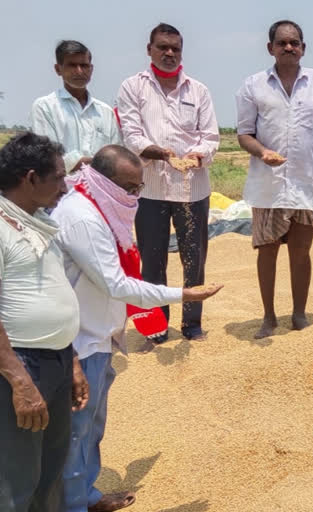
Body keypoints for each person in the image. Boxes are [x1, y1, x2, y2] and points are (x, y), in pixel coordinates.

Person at [52, 145, 223, 512]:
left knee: (91, 428)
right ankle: (72, 504)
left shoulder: (99, 205)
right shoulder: (84, 218)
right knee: (76, 433)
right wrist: (184, 293)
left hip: (98, 335)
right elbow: (117, 284)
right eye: (130, 187)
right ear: (103, 180)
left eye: (138, 187)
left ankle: (87, 495)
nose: (135, 196)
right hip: (81, 342)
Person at [236, 20, 313, 339]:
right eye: (282, 43)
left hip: (306, 182)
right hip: (267, 184)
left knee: (301, 252)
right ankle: (268, 318)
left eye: (294, 42)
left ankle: (298, 314)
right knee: (267, 251)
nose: (289, 47)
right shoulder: (252, 86)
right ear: (270, 48)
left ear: (303, 48)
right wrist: (262, 152)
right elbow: (244, 134)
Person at [0, 132, 88, 512]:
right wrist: (19, 380)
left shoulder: (36, 223)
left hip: (53, 362)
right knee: (16, 482)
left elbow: (52, 295)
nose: (65, 185)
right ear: (31, 178)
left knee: (50, 474)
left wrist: (70, 360)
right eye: (58, 176)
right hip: (19, 367)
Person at [116, 23, 220, 342]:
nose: (169, 53)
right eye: (162, 47)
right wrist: (162, 153)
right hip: (151, 190)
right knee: (153, 261)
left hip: (193, 190)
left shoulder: (198, 90)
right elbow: (132, 136)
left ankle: (192, 324)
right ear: (150, 49)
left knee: (194, 260)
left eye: (175, 48)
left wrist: (196, 155)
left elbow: (211, 136)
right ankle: (157, 325)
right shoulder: (133, 87)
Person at [31, 40, 121, 174]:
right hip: (61, 190)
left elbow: (116, 155)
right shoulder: (45, 107)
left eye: (84, 65)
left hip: (99, 191)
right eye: (72, 65)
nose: (79, 71)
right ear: (58, 69)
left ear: (91, 68)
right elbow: (48, 157)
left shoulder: (105, 112)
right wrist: (99, 164)